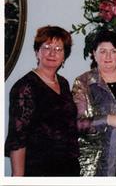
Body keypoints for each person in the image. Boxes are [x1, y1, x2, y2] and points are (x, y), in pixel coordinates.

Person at [5, 25, 80, 176]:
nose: (52, 53)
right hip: (39, 169)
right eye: (46, 47)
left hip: (68, 166)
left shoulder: (63, 83)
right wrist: (17, 178)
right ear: (37, 52)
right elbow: (18, 138)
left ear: (64, 56)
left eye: (59, 49)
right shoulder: (25, 86)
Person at [72, 29, 116, 176]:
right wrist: (108, 119)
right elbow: (78, 124)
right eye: (103, 51)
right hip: (98, 162)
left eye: (113, 51)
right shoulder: (83, 82)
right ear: (94, 53)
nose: (108, 56)